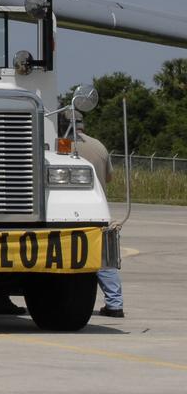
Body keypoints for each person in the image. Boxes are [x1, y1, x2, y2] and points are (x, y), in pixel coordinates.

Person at [70, 113, 125, 317]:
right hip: (96, 210)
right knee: (104, 260)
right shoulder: (98, 146)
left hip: (67, 212)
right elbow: (109, 177)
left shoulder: (59, 145)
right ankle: (115, 304)